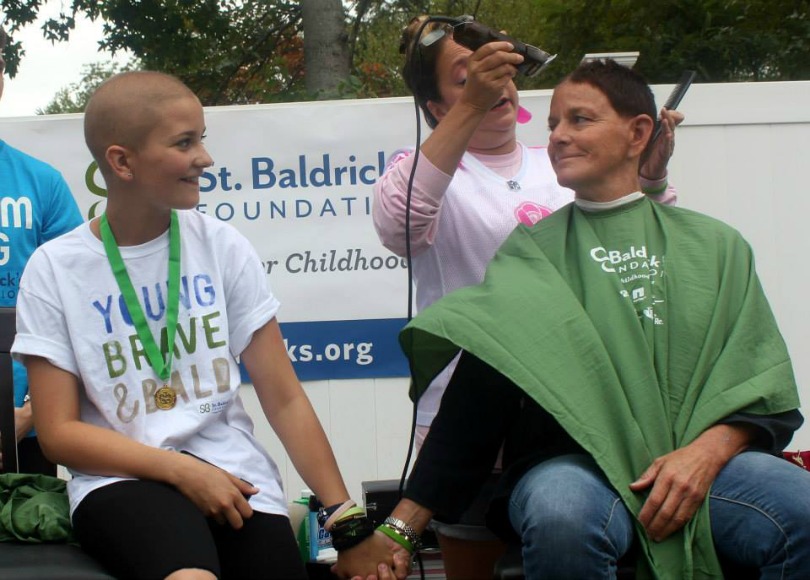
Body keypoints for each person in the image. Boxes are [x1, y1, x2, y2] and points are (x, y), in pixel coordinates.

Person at [337, 59, 810, 580]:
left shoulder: (717, 247)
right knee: (562, 516)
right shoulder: (530, 255)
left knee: (802, 510)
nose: (558, 136)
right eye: (553, 124)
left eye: (579, 120)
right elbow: (477, 399)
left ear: (639, 132)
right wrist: (398, 531)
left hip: (705, 461)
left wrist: (705, 452)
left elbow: (758, 384)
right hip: (575, 470)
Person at [11, 71, 372, 580]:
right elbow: (59, 434)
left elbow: (284, 396)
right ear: (122, 161)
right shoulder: (55, 268)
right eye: (185, 143)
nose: (205, 158)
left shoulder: (221, 245)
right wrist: (181, 470)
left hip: (237, 479)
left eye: (201, 138)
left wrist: (345, 522)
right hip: (121, 482)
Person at [372, 15, 682, 578]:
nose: (495, 86)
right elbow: (400, 223)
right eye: (466, 78)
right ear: (436, 106)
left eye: (499, 69)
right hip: (468, 427)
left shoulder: (559, 160)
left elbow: (641, 245)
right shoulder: (429, 170)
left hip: (581, 413)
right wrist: (472, 108)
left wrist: (651, 180)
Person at [0, 26, 83, 474]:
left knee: (28, 543)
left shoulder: (41, 181)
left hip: (26, 428)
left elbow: (76, 303)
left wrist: (30, 412)